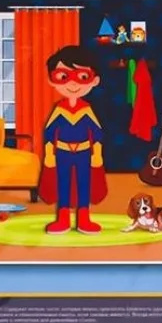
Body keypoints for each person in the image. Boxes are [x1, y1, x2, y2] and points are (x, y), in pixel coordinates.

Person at [39, 45, 108, 234]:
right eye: (63, 76)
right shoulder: (59, 110)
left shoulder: (87, 109)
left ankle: (84, 218)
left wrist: (97, 154)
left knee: (84, 183)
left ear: (95, 80)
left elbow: (97, 134)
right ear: (51, 80)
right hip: (62, 153)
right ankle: (62, 219)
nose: (72, 83)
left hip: (84, 153)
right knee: (63, 183)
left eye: (82, 76)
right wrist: (49, 155)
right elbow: (49, 134)